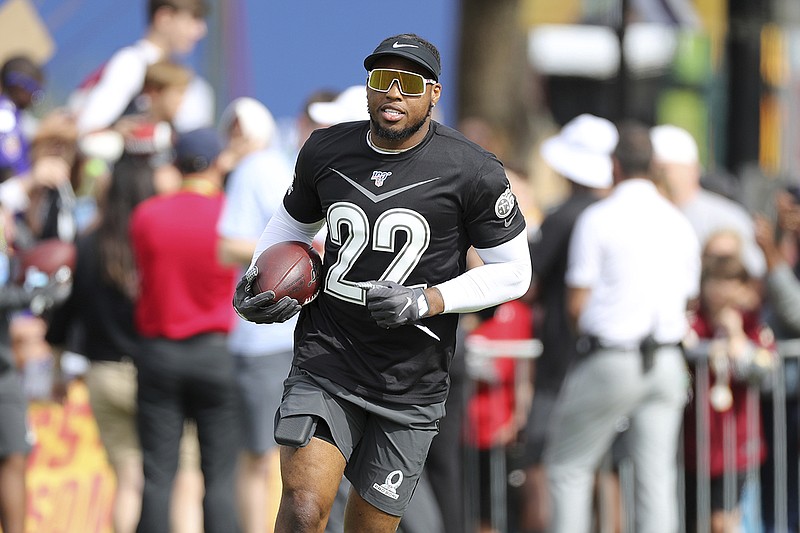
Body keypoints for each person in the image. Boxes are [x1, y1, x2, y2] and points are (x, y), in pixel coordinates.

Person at [233, 33, 531, 532]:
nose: (393, 91)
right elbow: (292, 225)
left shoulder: (473, 169)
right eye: (381, 79)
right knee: (304, 510)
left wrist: (429, 299)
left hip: (409, 381)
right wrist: (259, 276)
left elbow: (514, 272)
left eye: (409, 81)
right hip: (327, 358)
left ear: (434, 93)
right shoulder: (326, 148)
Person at [543, 120, 699, 533]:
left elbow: (577, 303)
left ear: (614, 166)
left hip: (612, 355)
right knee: (656, 477)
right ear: (653, 166)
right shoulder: (678, 222)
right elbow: (689, 298)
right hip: (667, 358)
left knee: (569, 468)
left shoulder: (599, 217)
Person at [130, 128, 240, 533]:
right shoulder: (230, 214)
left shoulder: (148, 214)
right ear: (216, 163)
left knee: (158, 475)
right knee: (220, 478)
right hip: (215, 351)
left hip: (159, 352)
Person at [516, 113, 616, 532]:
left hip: (560, 363)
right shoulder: (617, 214)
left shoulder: (563, 218)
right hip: (607, 359)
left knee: (540, 460)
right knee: (605, 467)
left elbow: (527, 283)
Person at [215, 96, 295, 533]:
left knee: (271, 455)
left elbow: (229, 243)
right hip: (265, 337)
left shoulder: (265, 168)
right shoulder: (262, 170)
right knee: (263, 455)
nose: (234, 141)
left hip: (276, 336)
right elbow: (228, 244)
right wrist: (291, 252)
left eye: (240, 131)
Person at [682, 236, 775, 533]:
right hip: (695, 445)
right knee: (698, 523)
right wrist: (706, 350)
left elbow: (763, 371)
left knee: (723, 523)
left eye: (730, 282)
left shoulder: (751, 324)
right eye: (716, 282)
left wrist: (736, 337)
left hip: (736, 446)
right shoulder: (691, 325)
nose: (722, 290)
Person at [71, 0, 212, 137]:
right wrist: (119, 133)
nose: (202, 31)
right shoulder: (131, 62)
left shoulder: (195, 85)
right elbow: (89, 128)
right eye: (193, 19)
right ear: (164, 17)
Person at [650, 124, 766, 279]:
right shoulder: (640, 215)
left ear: (693, 169)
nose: (657, 177)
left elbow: (753, 274)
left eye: (665, 169)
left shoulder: (727, 217)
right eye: (652, 169)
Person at [0, 55, 44, 182]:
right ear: (21, 86)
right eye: (35, 92)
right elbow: (10, 166)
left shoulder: (15, 116)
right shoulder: (6, 116)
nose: (34, 100)